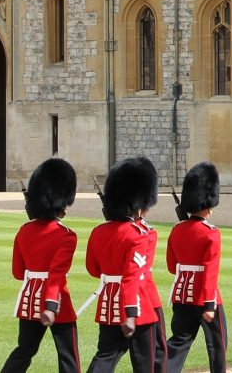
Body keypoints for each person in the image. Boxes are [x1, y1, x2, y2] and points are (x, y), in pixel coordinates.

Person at [82, 157, 168, 373]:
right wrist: (130, 313)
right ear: (138, 205)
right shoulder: (139, 235)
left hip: (108, 304)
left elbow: (93, 269)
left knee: (105, 357)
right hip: (137, 307)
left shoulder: (98, 232)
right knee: (144, 363)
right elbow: (132, 277)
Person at [1, 157, 82, 373]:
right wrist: (50, 306)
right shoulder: (66, 236)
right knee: (68, 355)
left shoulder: (24, 231)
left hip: (29, 300)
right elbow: (56, 274)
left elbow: (18, 273)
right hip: (57, 300)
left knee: (24, 350)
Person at [165, 162, 228, 373]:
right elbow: (210, 271)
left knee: (179, 343)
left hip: (182, 295)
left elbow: (172, 267)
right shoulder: (211, 233)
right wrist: (209, 304)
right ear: (208, 204)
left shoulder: (176, 230)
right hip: (204, 297)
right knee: (217, 345)